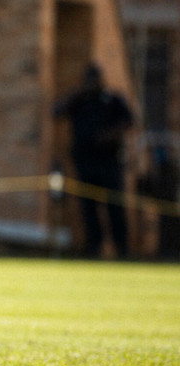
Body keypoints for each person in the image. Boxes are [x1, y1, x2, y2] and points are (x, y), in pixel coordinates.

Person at [54, 63, 134, 259]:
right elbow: (56, 112)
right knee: (88, 209)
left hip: (109, 163)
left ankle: (121, 250)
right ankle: (94, 250)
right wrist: (79, 92)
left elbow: (129, 121)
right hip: (85, 163)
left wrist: (110, 135)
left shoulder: (112, 100)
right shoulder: (79, 100)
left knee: (115, 207)